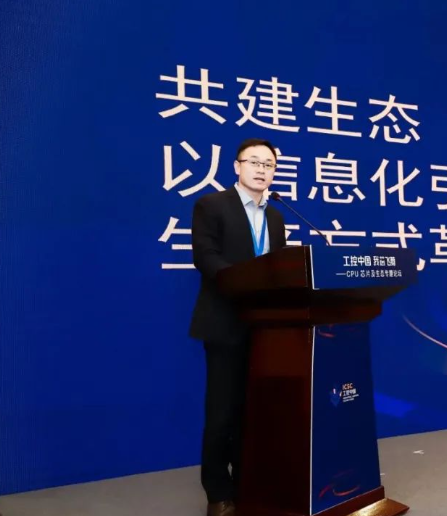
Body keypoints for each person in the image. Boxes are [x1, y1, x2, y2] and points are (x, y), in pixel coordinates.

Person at [189, 138, 287, 516]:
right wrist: (242, 283)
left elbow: (279, 267)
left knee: (257, 410)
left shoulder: (275, 217)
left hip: (267, 329)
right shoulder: (212, 205)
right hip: (225, 322)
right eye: (254, 162)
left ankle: (249, 483)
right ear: (237, 166)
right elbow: (205, 257)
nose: (262, 170)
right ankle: (218, 492)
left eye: (269, 165)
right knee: (222, 412)